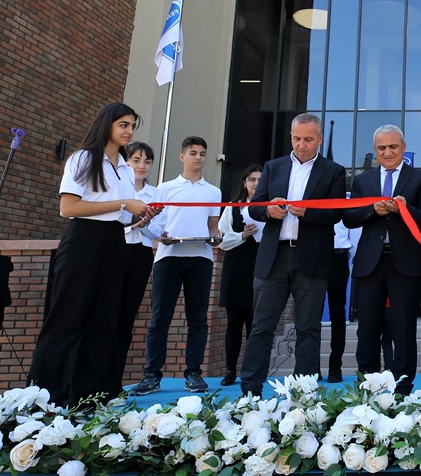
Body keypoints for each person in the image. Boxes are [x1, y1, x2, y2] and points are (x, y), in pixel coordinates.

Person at [28, 103, 159, 407]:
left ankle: (86, 400)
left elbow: (120, 213)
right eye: (123, 125)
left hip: (116, 242)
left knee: (103, 326)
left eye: (132, 126)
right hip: (84, 241)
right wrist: (124, 204)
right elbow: (69, 208)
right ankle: (41, 400)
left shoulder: (125, 167)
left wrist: (138, 215)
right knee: (66, 320)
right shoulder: (84, 158)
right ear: (107, 125)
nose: (129, 131)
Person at [239, 113, 346, 397]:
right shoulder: (273, 168)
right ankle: (250, 391)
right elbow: (254, 208)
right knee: (261, 327)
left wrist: (308, 212)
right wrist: (268, 210)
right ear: (290, 136)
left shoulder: (333, 171)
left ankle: (304, 394)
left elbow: (337, 214)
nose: (302, 145)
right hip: (273, 257)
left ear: (319, 139)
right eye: (297, 138)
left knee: (308, 329)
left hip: (310, 259)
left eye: (308, 139)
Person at [344, 125, 421, 395]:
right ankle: (368, 387)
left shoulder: (419, 179)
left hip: (405, 261)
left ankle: (403, 388)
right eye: (382, 147)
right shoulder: (363, 180)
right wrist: (373, 209)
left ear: (403, 148)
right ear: (376, 150)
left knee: (404, 329)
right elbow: (349, 217)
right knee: (367, 330)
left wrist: (404, 209)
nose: (387, 152)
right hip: (370, 262)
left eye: (393, 146)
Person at [131, 136, 223, 395]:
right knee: (160, 317)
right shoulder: (165, 188)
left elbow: (213, 228)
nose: (198, 157)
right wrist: (161, 237)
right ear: (182, 156)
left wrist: (216, 239)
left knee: (198, 319)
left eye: (203, 153)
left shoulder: (213, 191)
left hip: (201, 258)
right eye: (193, 153)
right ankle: (151, 375)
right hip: (168, 257)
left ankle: (193, 372)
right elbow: (156, 225)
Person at [106, 141, 160, 395]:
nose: (141, 166)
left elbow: (159, 231)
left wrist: (147, 223)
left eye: (147, 161)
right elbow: (107, 221)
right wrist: (131, 225)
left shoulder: (155, 193)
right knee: (107, 316)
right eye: (136, 160)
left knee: (126, 319)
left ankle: (115, 383)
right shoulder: (116, 188)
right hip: (115, 249)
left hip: (141, 253)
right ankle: (98, 382)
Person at [215, 164, 263, 386]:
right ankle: (230, 370)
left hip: (260, 269)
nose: (255, 183)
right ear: (244, 182)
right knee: (234, 322)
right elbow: (222, 240)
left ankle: (251, 371)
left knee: (255, 324)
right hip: (235, 269)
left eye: (260, 179)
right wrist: (242, 235)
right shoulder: (232, 207)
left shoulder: (268, 208)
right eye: (251, 179)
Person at [324, 218, 361, 382]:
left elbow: (355, 238)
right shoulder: (312, 198)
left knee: (338, 314)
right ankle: (311, 367)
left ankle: (335, 367)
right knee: (310, 315)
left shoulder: (346, 202)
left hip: (339, 256)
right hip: (314, 256)